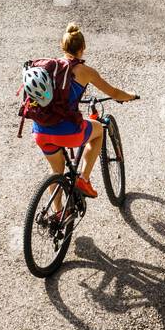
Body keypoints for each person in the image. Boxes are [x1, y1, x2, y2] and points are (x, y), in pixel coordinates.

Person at [31, 23, 137, 199]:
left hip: (40, 131)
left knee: (56, 173)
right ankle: (84, 179)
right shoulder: (84, 71)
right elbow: (115, 93)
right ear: (82, 48)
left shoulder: (48, 68)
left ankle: (57, 216)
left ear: (62, 46)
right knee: (99, 131)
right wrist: (130, 96)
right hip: (67, 132)